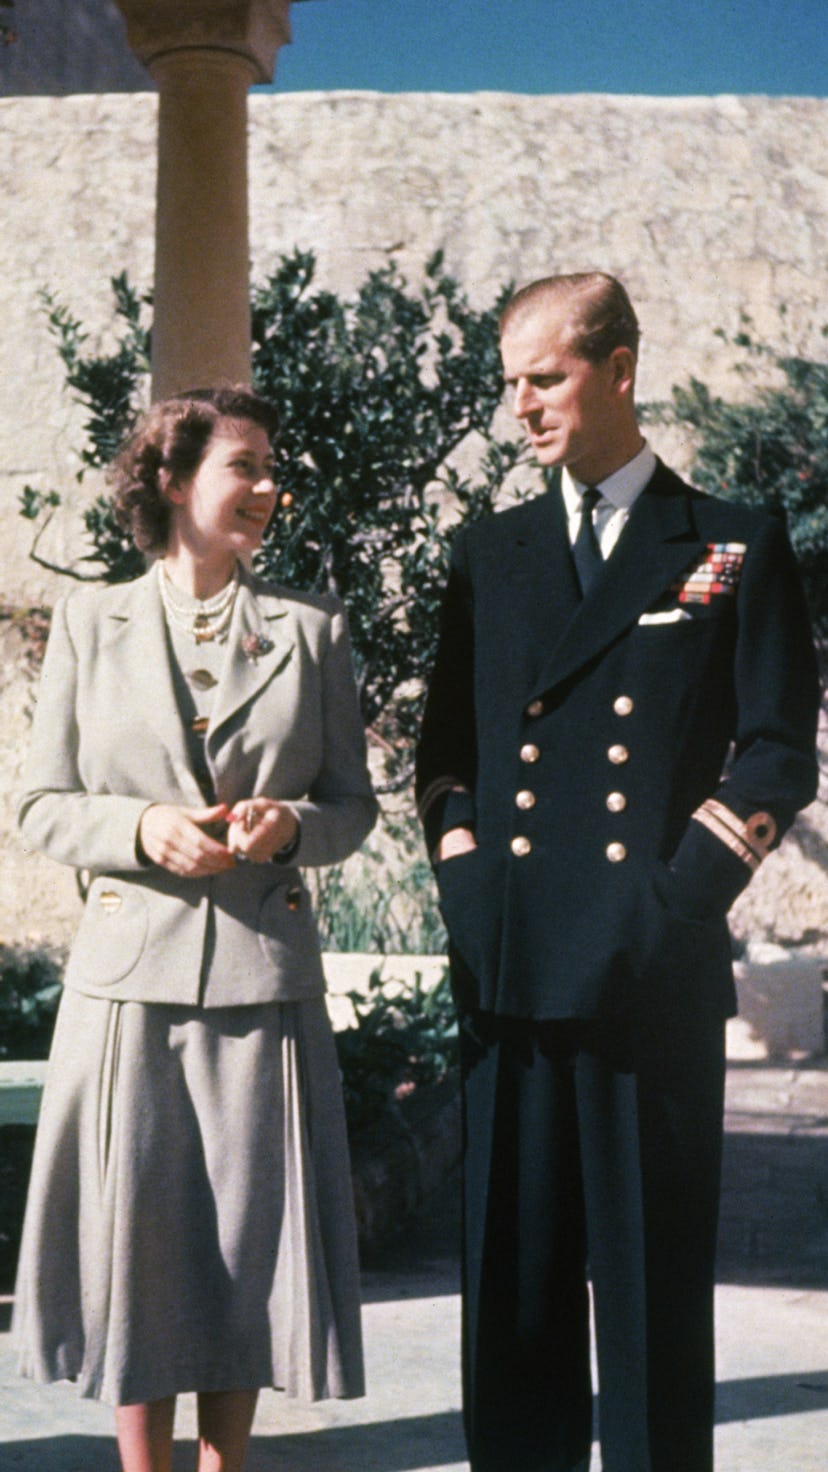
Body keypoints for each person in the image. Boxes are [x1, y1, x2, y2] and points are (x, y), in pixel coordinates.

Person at [416, 273, 820, 1472]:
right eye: (510, 383)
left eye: (543, 377)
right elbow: (446, 757)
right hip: (514, 969)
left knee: (651, 1311)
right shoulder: (492, 552)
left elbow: (778, 747)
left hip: (649, 980)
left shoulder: (730, 542)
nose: (521, 406)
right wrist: (470, 884)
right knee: (514, 1308)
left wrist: (673, 900)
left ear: (620, 368)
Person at [14, 386, 377, 1472]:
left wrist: (288, 826)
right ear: (171, 480)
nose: (269, 488)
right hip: (129, 985)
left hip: (264, 983)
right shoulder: (89, 621)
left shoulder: (313, 630)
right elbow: (40, 804)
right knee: (139, 1245)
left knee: (243, 1246)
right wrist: (140, 825)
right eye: (246, 467)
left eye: (273, 468)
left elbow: (353, 807)